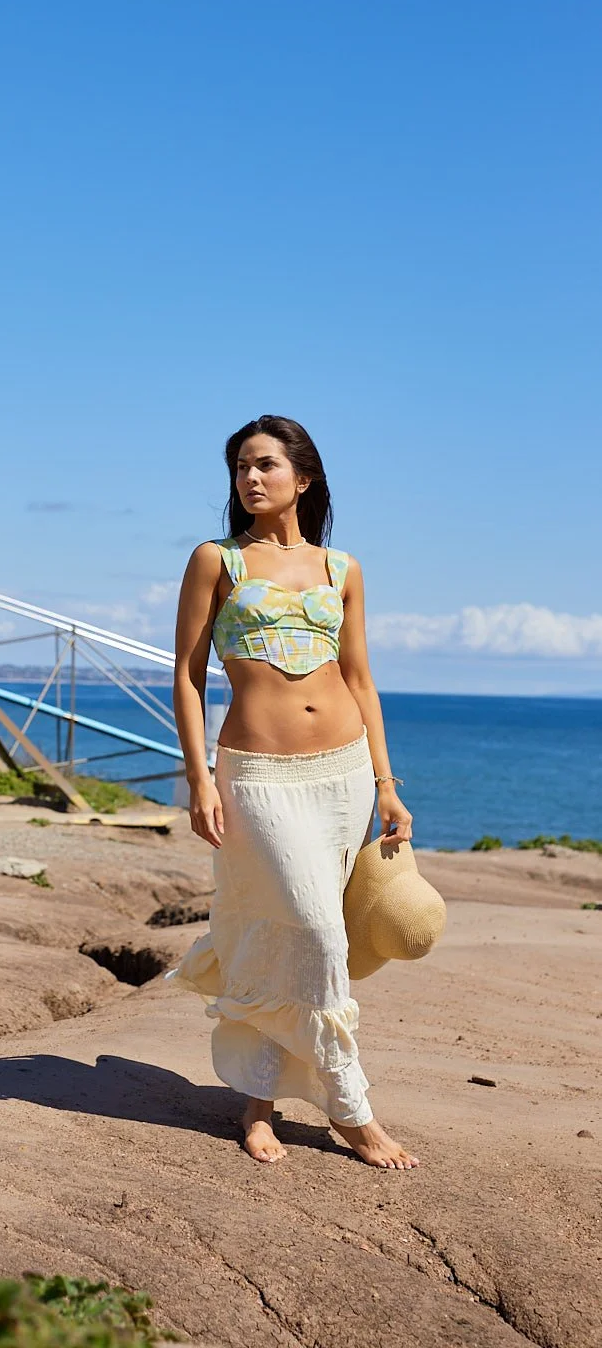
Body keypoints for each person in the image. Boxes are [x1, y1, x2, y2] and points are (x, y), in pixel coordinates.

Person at [170, 414, 420, 1169]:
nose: (249, 479)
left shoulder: (342, 568)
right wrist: (198, 777)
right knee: (310, 929)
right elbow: (184, 673)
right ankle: (351, 1111)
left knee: (294, 936)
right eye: (240, 467)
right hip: (259, 776)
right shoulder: (217, 560)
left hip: (341, 773)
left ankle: (256, 1104)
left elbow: (360, 680)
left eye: (265, 466)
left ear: (302, 478)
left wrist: (385, 783)